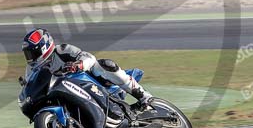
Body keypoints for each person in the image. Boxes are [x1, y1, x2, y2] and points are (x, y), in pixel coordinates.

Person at [20, 28, 154, 110]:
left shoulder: (62, 50)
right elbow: (30, 86)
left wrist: (79, 64)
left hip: (87, 83)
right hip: (63, 94)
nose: (30, 58)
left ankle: (145, 97)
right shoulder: (31, 69)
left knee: (104, 64)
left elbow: (88, 57)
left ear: (44, 47)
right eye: (27, 54)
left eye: (32, 53)